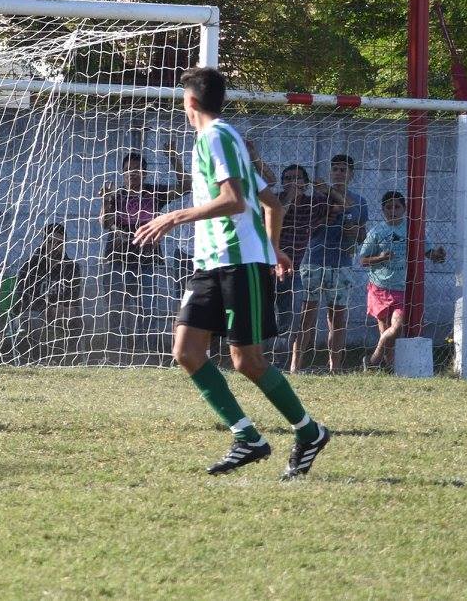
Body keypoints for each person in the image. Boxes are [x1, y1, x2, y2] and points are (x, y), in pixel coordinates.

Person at [132, 66, 329, 479]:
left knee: (247, 361)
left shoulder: (217, 137)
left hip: (239, 264)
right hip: (210, 264)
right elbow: (271, 202)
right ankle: (247, 438)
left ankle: (309, 432)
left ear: (190, 101)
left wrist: (173, 217)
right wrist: (274, 247)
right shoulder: (222, 139)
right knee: (186, 352)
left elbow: (235, 200)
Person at [293, 154, 369, 373]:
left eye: (343, 170)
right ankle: (295, 365)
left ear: (351, 174)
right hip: (314, 262)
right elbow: (305, 228)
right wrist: (322, 221)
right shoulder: (318, 198)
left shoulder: (360, 202)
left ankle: (335, 367)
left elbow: (362, 235)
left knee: (337, 318)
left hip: (341, 263)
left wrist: (354, 232)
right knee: (307, 315)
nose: (338, 173)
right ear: (330, 172)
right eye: (335, 169)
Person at [251, 160, 328, 368]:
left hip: (293, 268)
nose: (292, 182)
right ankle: (257, 357)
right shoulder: (274, 200)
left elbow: (344, 207)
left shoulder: (314, 203)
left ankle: (280, 360)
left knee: (287, 314)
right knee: (263, 312)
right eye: (288, 179)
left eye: (297, 179)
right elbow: (277, 216)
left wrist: (326, 189)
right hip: (267, 265)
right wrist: (290, 198)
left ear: (305, 183)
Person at [100, 146, 186, 332]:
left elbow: (185, 187)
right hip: (117, 260)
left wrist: (173, 157)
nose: (132, 173)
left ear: (145, 173)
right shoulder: (116, 195)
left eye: (137, 169)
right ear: (123, 173)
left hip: (147, 261)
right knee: (115, 311)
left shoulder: (154, 192)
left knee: (147, 312)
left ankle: (143, 345)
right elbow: (105, 223)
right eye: (128, 170)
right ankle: (117, 345)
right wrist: (106, 200)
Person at [358, 191, 446, 370]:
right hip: (379, 288)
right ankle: (389, 367)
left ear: (404, 209)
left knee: (397, 328)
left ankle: (373, 360)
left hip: (401, 288)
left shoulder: (412, 229)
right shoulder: (376, 232)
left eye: (397, 207)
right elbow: (363, 261)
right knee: (385, 332)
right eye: (388, 207)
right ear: (383, 210)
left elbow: (428, 253)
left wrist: (438, 255)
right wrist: (381, 258)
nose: (393, 211)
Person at [9, 223, 82, 354]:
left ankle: (68, 357)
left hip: (60, 312)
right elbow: (24, 298)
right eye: (50, 242)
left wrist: (62, 307)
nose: (54, 246)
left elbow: (73, 296)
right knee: (35, 319)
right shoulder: (31, 266)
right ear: (44, 243)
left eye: (59, 243)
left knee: (74, 316)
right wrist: (47, 308)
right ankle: (36, 356)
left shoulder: (71, 267)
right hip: (34, 312)